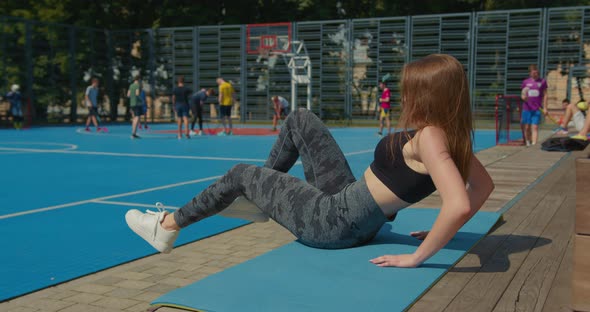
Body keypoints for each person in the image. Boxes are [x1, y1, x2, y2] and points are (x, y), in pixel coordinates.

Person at [125, 54, 494, 268]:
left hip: (331, 222)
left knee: (239, 173)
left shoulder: (431, 138)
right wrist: (440, 230)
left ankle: (167, 226)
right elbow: (484, 187)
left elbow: (459, 203)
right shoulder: (452, 138)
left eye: (409, 90)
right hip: (348, 203)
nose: (402, 96)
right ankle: (259, 203)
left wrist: (418, 256)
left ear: (426, 95)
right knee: (300, 118)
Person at [520, 64, 548, 146]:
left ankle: (534, 144)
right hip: (527, 108)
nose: (535, 74)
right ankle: (528, 141)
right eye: (533, 73)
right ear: (530, 73)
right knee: (527, 127)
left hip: (537, 108)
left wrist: (545, 108)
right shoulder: (525, 82)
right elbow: (522, 94)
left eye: (536, 73)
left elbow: (545, 95)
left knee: (535, 127)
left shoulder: (542, 82)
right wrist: (523, 97)